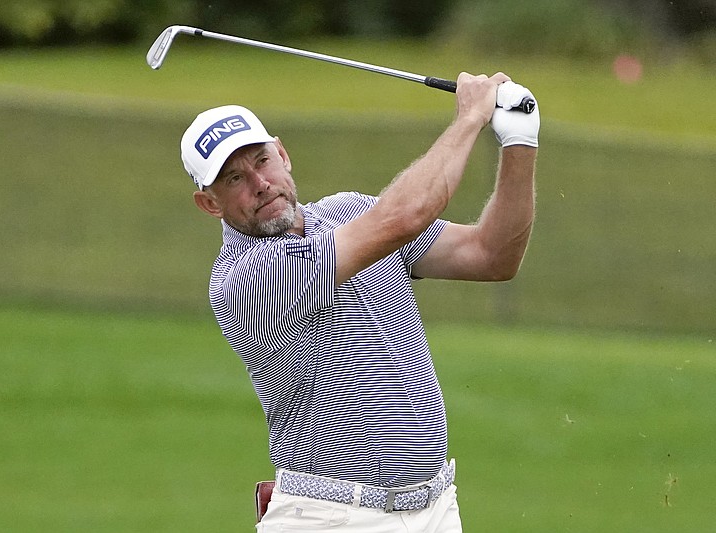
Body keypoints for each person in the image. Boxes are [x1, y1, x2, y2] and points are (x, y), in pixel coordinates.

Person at [180, 71, 539, 532]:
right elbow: (404, 215)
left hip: (434, 509)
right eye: (234, 178)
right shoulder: (244, 280)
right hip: (332, 518)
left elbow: (492, 255)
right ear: (210, 204)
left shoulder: (348, 211)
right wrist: (471, 118)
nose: (260, 183)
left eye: (261, 161)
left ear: (283, 154)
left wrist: (520, 140)